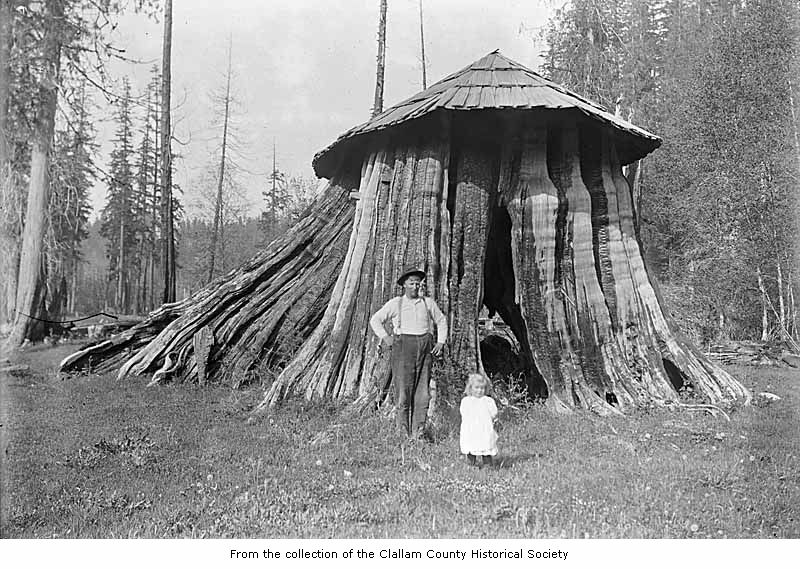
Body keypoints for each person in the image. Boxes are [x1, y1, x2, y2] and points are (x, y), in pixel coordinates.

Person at [369, 266, 447, 438]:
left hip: (425, 350)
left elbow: (441, 321)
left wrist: (441, 342)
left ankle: (418, 432)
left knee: (423, 393)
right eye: (412, 283)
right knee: (403, 392)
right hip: (403, 349)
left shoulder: (427, 303)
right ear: (404, 285)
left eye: (418, 284)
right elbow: (375, 320)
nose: (416, 287)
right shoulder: (396, 303)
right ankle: (402, 433)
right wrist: (386, 338)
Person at [460, 373, 499, 467]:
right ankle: (471, 464)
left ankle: (487, 465)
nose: (479, 391)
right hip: (471, 429)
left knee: (486, 446)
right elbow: (463, 413)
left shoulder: (488, 401)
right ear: (470, 388)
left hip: (484, 429)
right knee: (470, 446)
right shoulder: (466, 401)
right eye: (476, 388)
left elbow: (494, 413)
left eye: (482, 388)